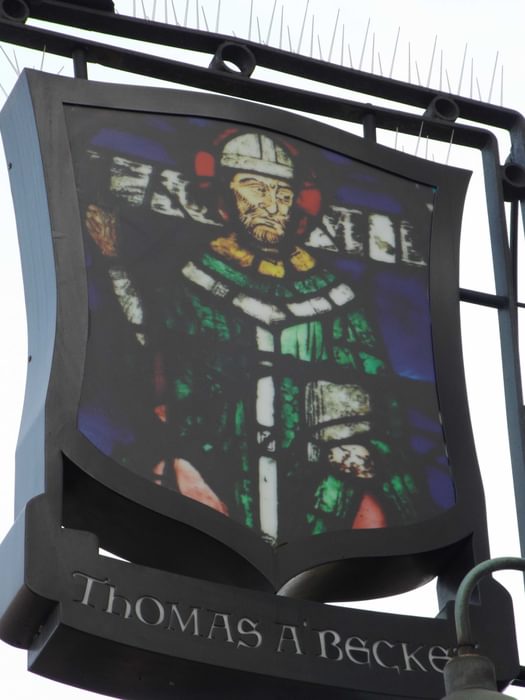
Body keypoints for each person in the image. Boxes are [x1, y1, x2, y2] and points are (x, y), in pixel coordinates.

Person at [84, 130, 435, 545]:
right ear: (224, 198)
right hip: (217, 458)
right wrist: (114, 266)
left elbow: (379, 394)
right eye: (254, 188)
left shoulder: (337, 299)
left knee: (369, 510)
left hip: (316, 477)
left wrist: (360, 445)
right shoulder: (192, 282)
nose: (271, 205)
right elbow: (149, 355)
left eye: (283, 194)